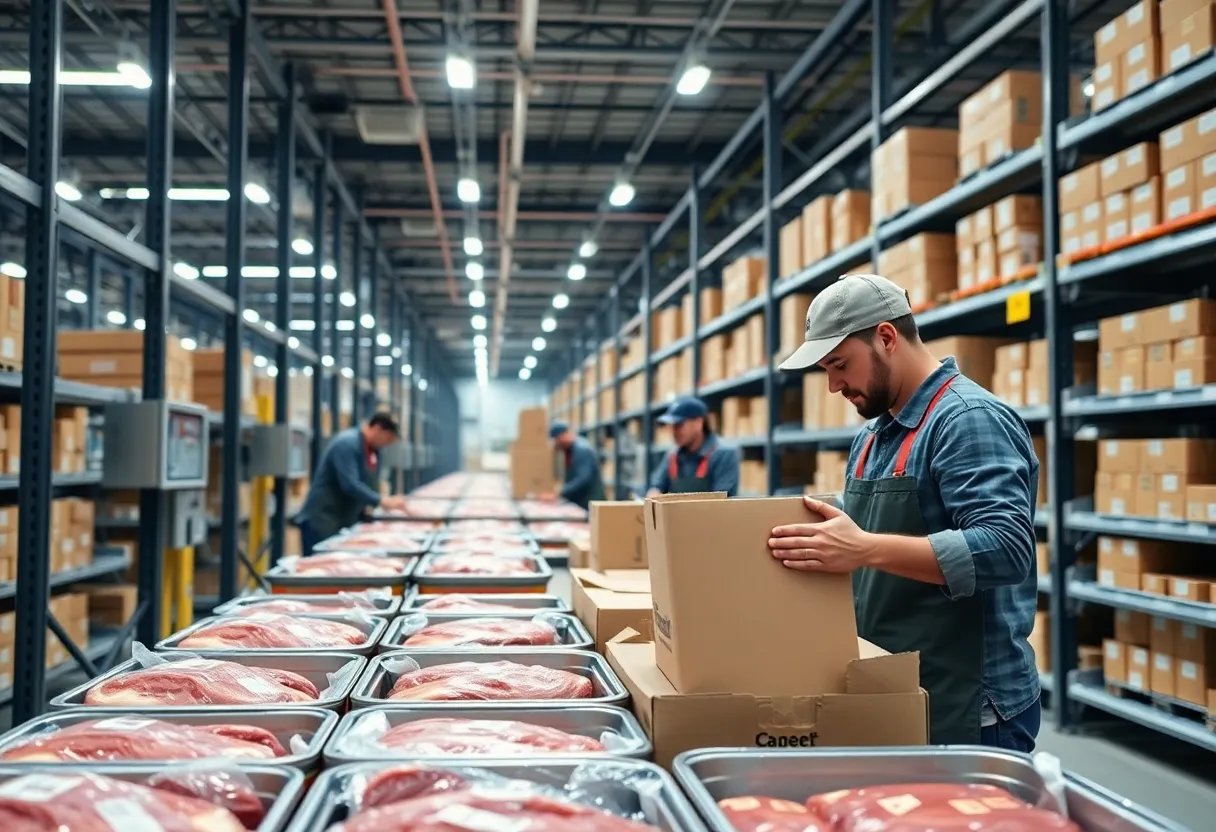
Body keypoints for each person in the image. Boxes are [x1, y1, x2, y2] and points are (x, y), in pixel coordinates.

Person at [767, 273, 1040, 752]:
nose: (833, 385)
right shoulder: (872, 436)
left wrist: (865, 548)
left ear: (886, 338)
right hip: (894, 689)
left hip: (968, 704)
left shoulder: (965, 419)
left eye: (839, 364)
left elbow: (1006, 549)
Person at [296, 412, 408, 554]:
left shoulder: (372, 451)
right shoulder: (347, 444)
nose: (387, 444)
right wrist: (382, 501)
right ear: (377, 429)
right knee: (321, 566)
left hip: (342, 519)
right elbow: (349, 484)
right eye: (388, 439)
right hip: (323, 519)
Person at [646, 397, 740, 496]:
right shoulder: (673, 454)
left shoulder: (724, 453)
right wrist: (653, 495)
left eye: (679, 425)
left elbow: (724, 500)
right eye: (671, 426)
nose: (673, 432)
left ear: (699, 423)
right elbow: (657, 486)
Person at [540, 421, 604, 509]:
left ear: (562, 435)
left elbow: (583, 478)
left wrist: (560, 492)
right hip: (580, 502)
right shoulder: (570, 450)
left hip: (589, 503)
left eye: (557, 440)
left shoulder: (582, 449)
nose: (557, 445)